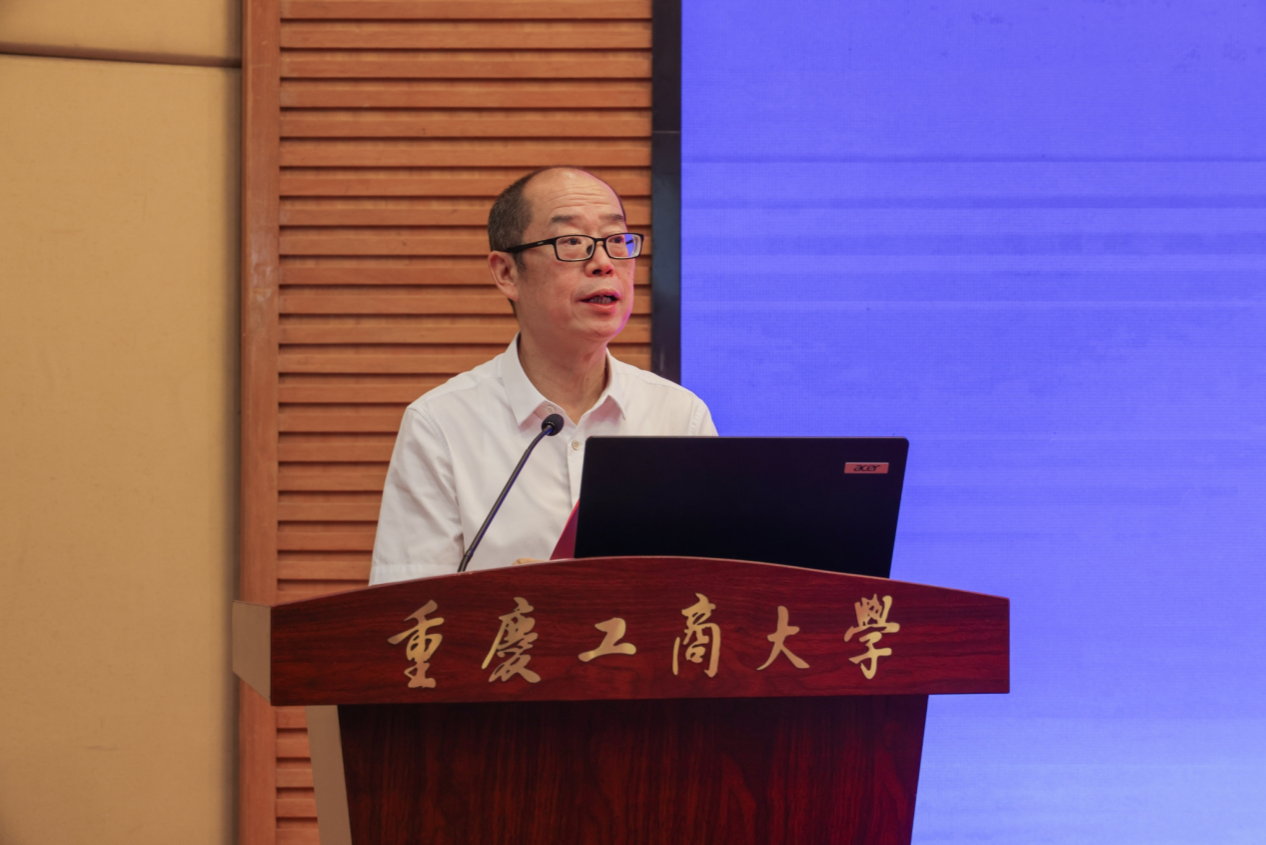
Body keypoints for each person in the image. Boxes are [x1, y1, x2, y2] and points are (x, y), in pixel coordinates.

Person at [369, 166, 716, 585]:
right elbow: (407, 611)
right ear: (507, 273)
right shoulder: (441, 424)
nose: (604, 263)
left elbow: (713, 589)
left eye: (616, 240)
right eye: (571, 242)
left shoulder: (679, 416)